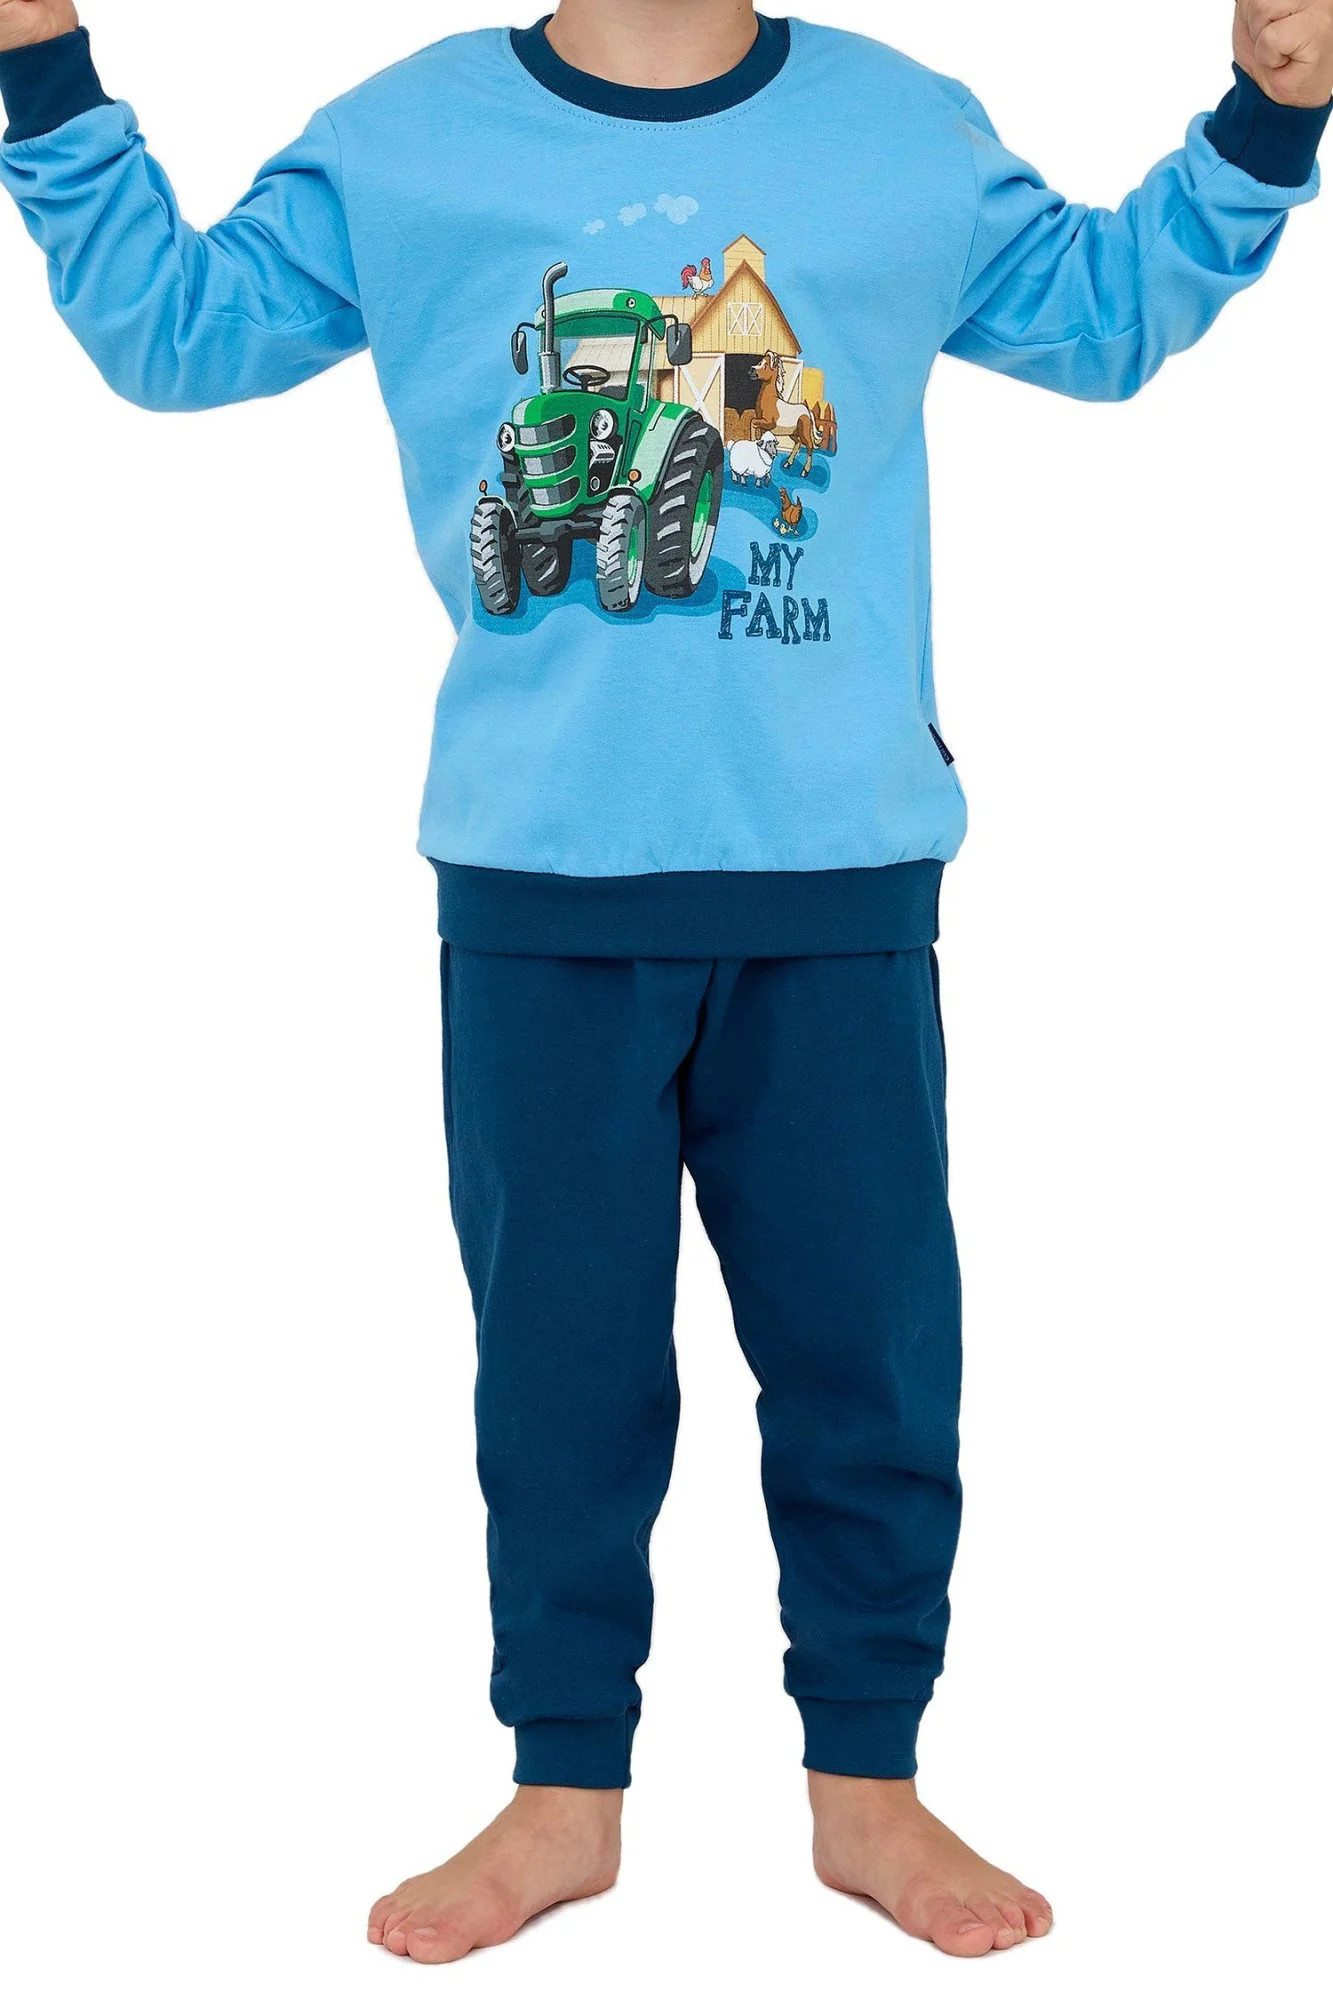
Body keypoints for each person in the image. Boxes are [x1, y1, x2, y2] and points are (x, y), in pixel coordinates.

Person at [2, 0, 1329, 1965]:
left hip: (835, 875)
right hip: (540, 880)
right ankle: (564, 1789)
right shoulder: (406, 138)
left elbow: (1101, 316)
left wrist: (1265, 116)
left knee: (870, 1353)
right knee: (560, 1365)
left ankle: (865, 1779)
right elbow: (174, 335)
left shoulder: (898, 128)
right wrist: (42, 68)